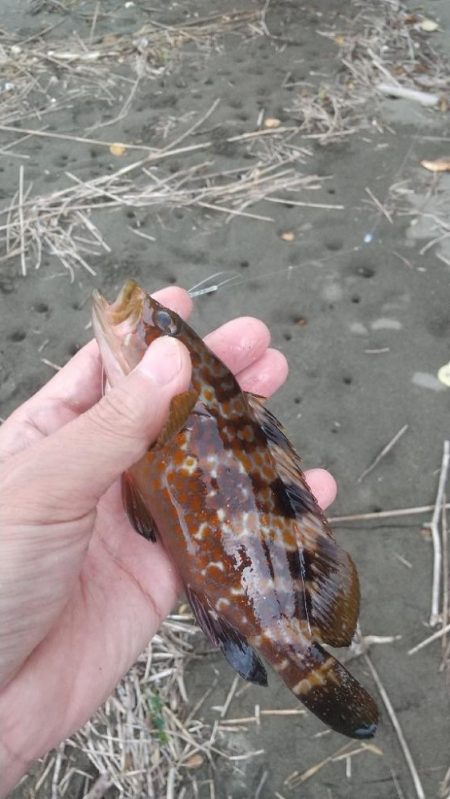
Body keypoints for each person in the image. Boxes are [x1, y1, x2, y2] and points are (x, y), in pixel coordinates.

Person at [0, 285, 336, 795]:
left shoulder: (178, 408)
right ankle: (303, 661)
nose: (145, 315)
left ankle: (306, 662)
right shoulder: (172, 408)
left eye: (166, 329)